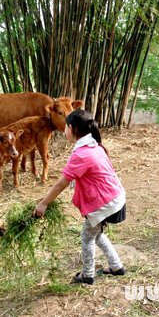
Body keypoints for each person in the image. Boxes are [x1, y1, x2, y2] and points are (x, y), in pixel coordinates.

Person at [33, 109, 126, 285]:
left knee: (87, 237)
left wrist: (43, 204)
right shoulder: (94, 145)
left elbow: (62, 183)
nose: (64, 131)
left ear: (72, 128)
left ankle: (87, 275)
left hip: (105, 202)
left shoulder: (81, 154)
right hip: (115, 196)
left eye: (65, 127)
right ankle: (116, 266)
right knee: (96, 234)